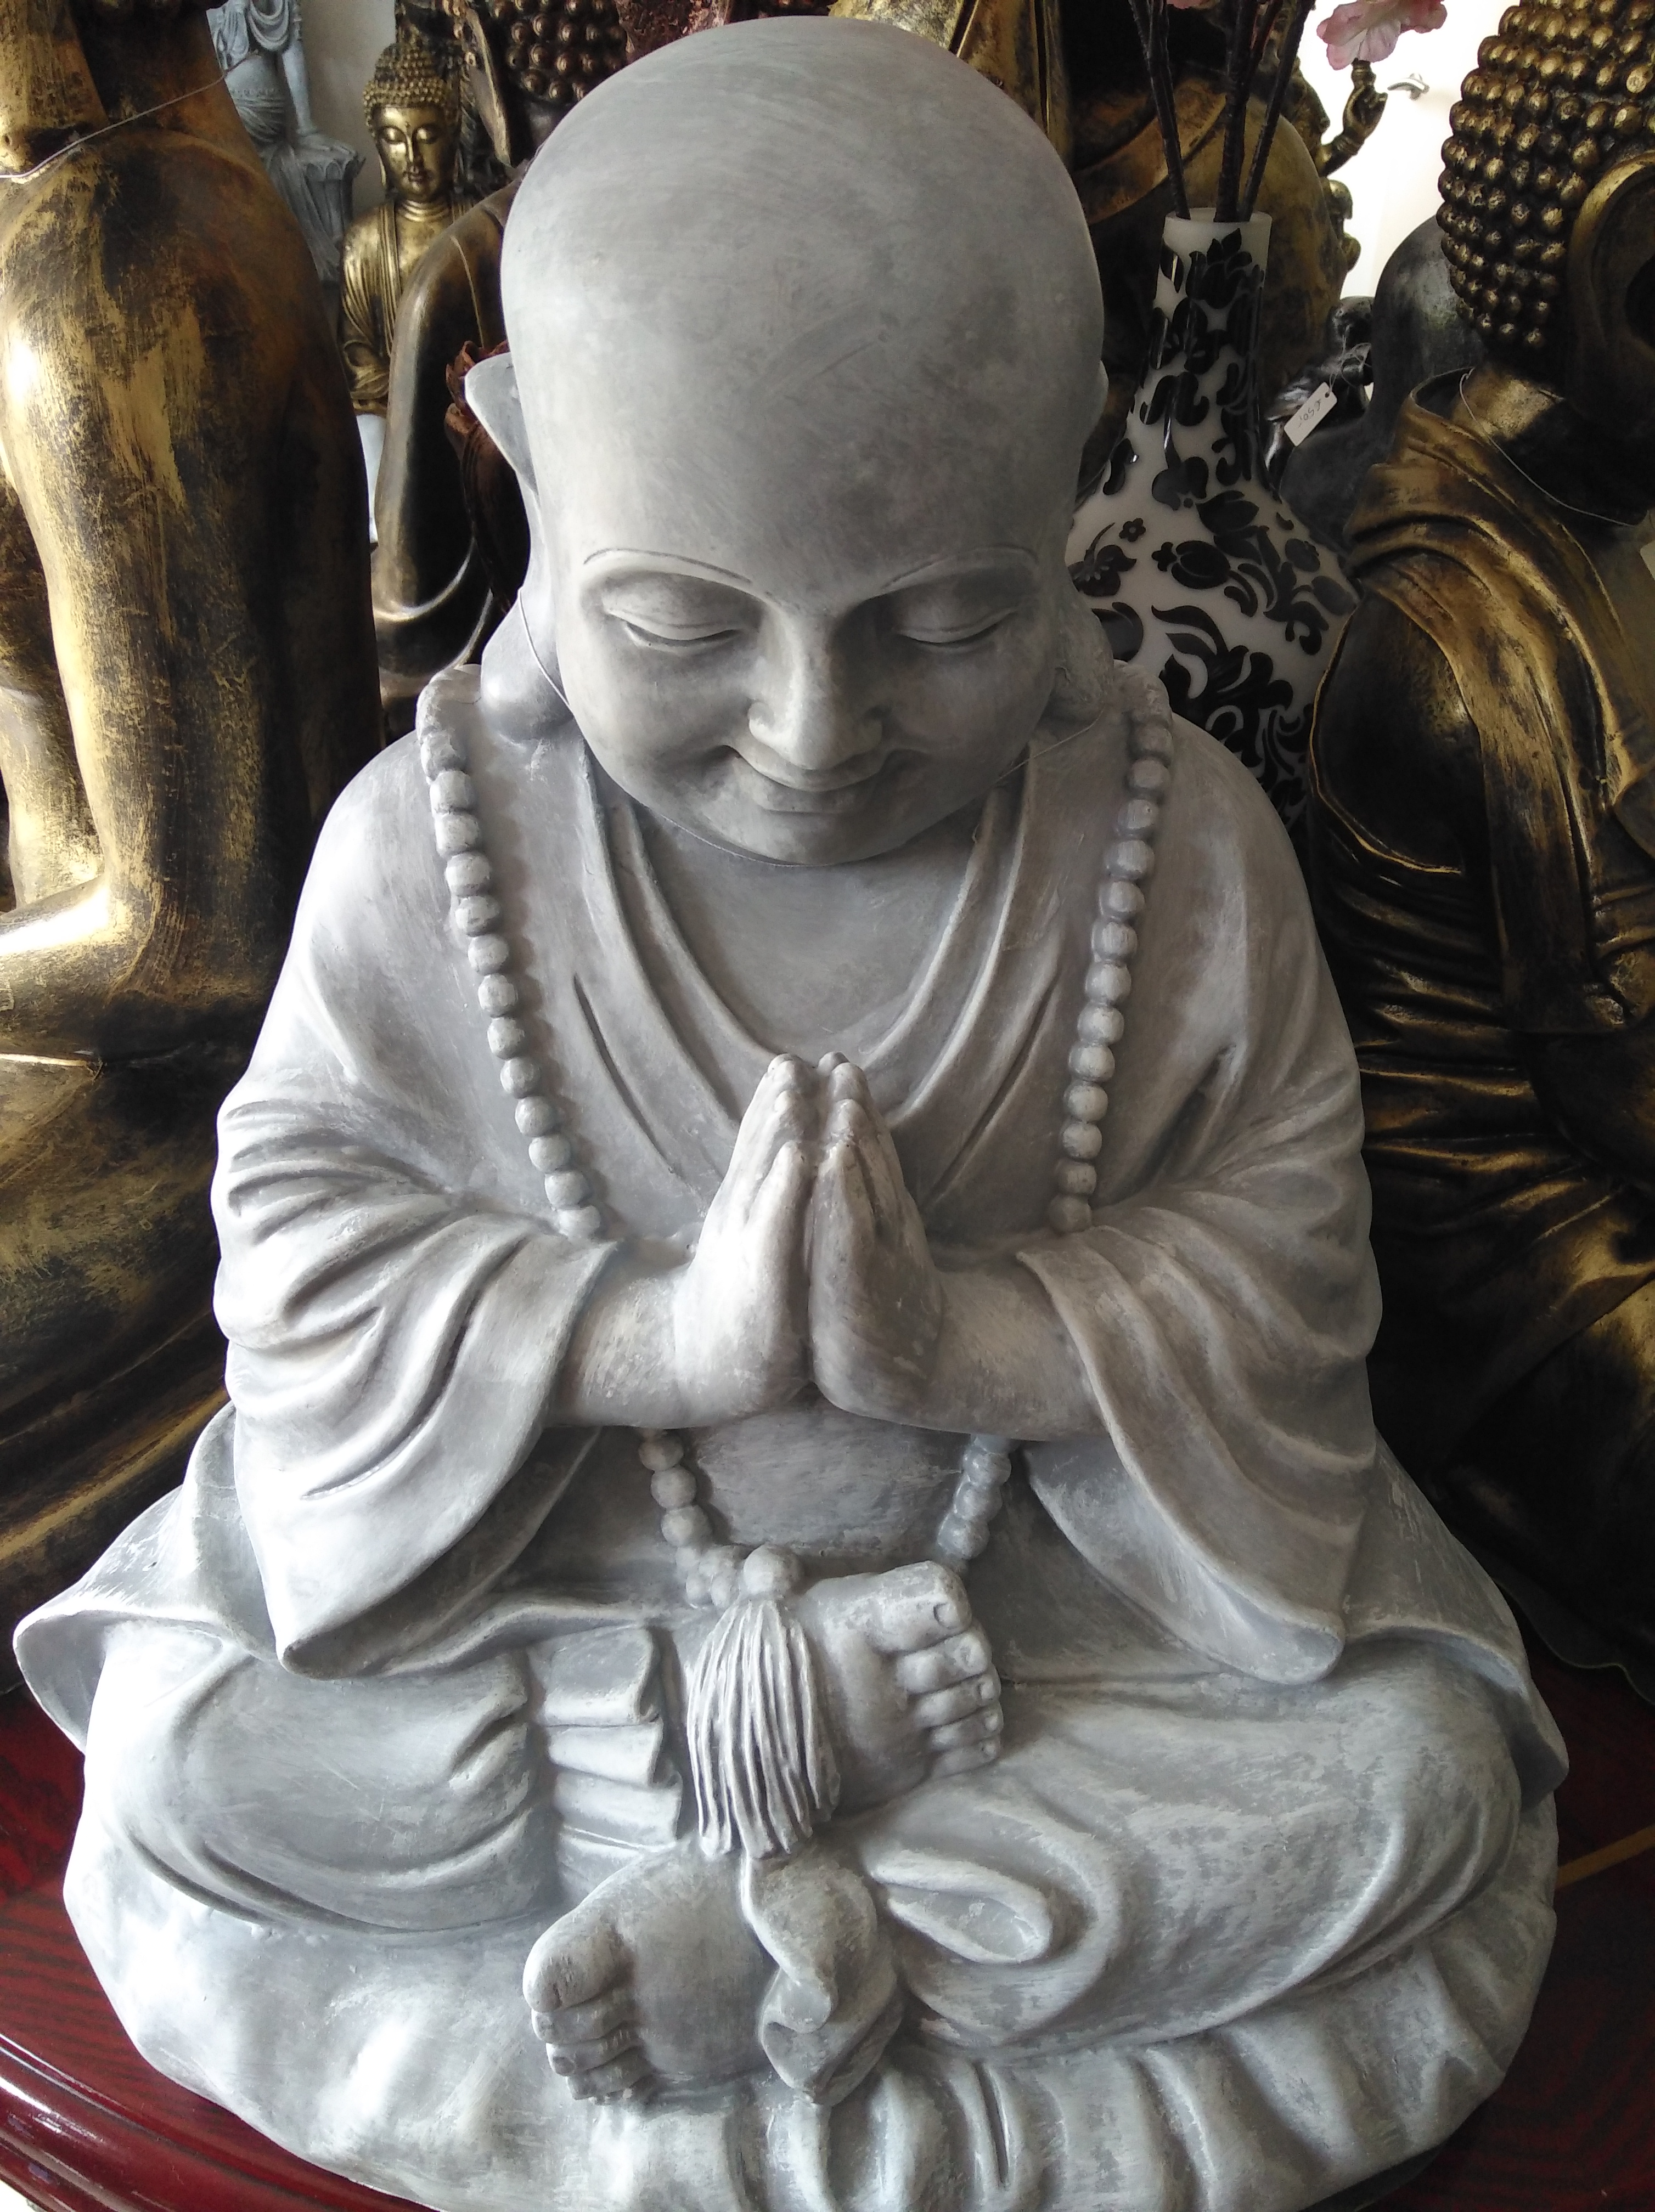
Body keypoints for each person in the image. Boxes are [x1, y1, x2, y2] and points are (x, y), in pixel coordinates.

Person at [20, 25, 1560, 2212]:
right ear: (517, 456)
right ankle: (767, 1825)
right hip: (572, 1620)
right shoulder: (434, 845)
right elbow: (302, 1245)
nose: (813, 728)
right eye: (682, 623)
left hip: (1044, 1629)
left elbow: (1285, 1261)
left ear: (1069, 473)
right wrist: (663, 1344)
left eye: (941, 621)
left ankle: (815, 1931)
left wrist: (970, 1349)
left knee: (1408, 1783)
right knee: (205, 1761)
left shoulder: (1174, 847)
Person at [0, 0, 380, 1661]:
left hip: (191, 1084)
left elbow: (199, 945)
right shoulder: (73, 218)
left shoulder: (118, 257)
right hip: (65, 1023)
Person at [1307, 0, 1655, 1691]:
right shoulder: (1462, 641)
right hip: (1534, 1294)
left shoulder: (1603, 532)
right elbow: (1605, 1079)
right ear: (1629, 282)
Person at [341, 32, 477, 514]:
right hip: (391, 407)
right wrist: (408, 394)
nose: (413, 159)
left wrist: (461, 388)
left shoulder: (477, 225)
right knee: (371, 456)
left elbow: (498, 330)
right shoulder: (365, 239)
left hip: (469, 398)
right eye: (395, 140)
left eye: (427, 136)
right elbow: (357, 352)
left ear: (452, 134)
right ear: (379, 147)